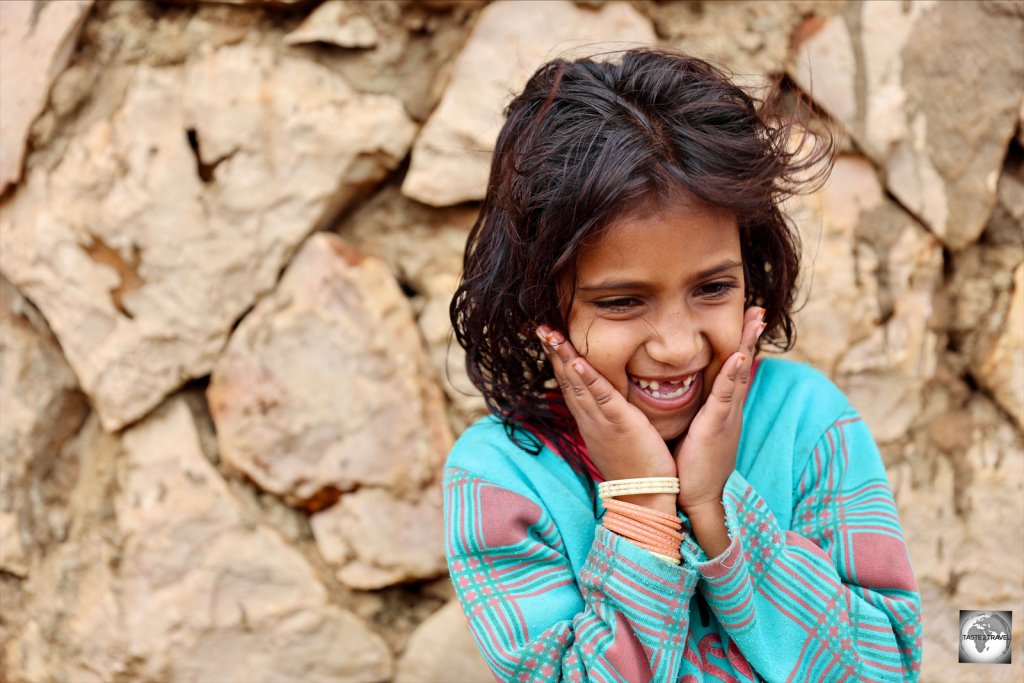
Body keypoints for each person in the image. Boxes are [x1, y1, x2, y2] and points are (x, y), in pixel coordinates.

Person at [445, 48, 922, 682]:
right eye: (621, 301)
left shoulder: (808, 424)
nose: (677, 346)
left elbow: (888, 668)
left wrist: (717, 505)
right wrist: (641, 505)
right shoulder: (501, 482)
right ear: (542, 305)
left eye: (713, 288)